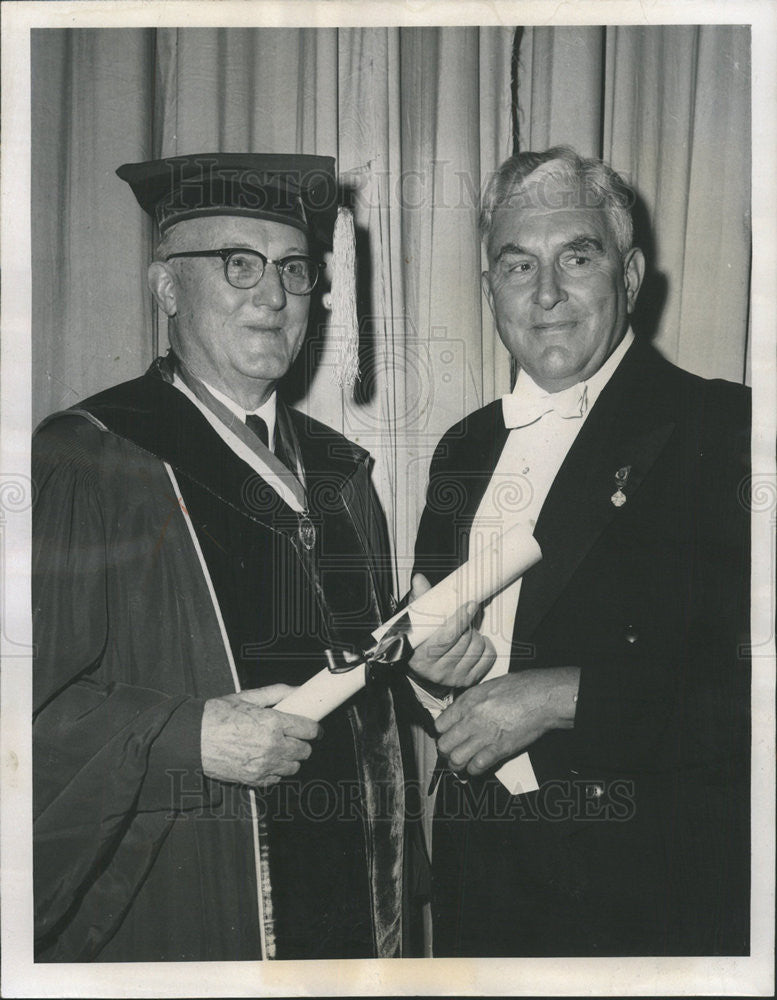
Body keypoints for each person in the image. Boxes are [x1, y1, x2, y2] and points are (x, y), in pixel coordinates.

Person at [33, 153, 411, 962]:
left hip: (356, 915)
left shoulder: (343, 477)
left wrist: (426, 666)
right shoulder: (92, 461)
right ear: (165, 286)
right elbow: (24, 717)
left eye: (294, 269)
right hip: (189, 902)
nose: (272, 296)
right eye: (238, 264)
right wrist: (181, 735)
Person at [408, 146, 751, 956]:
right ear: (490, 286)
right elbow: (426, 666)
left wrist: (563, 696)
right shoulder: (464, 445)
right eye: (517, 264)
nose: (547, 293)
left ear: (628, 275)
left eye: (577, 257)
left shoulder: (727, 431)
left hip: (649, 894)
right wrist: (427, 674)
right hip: (482, 879)